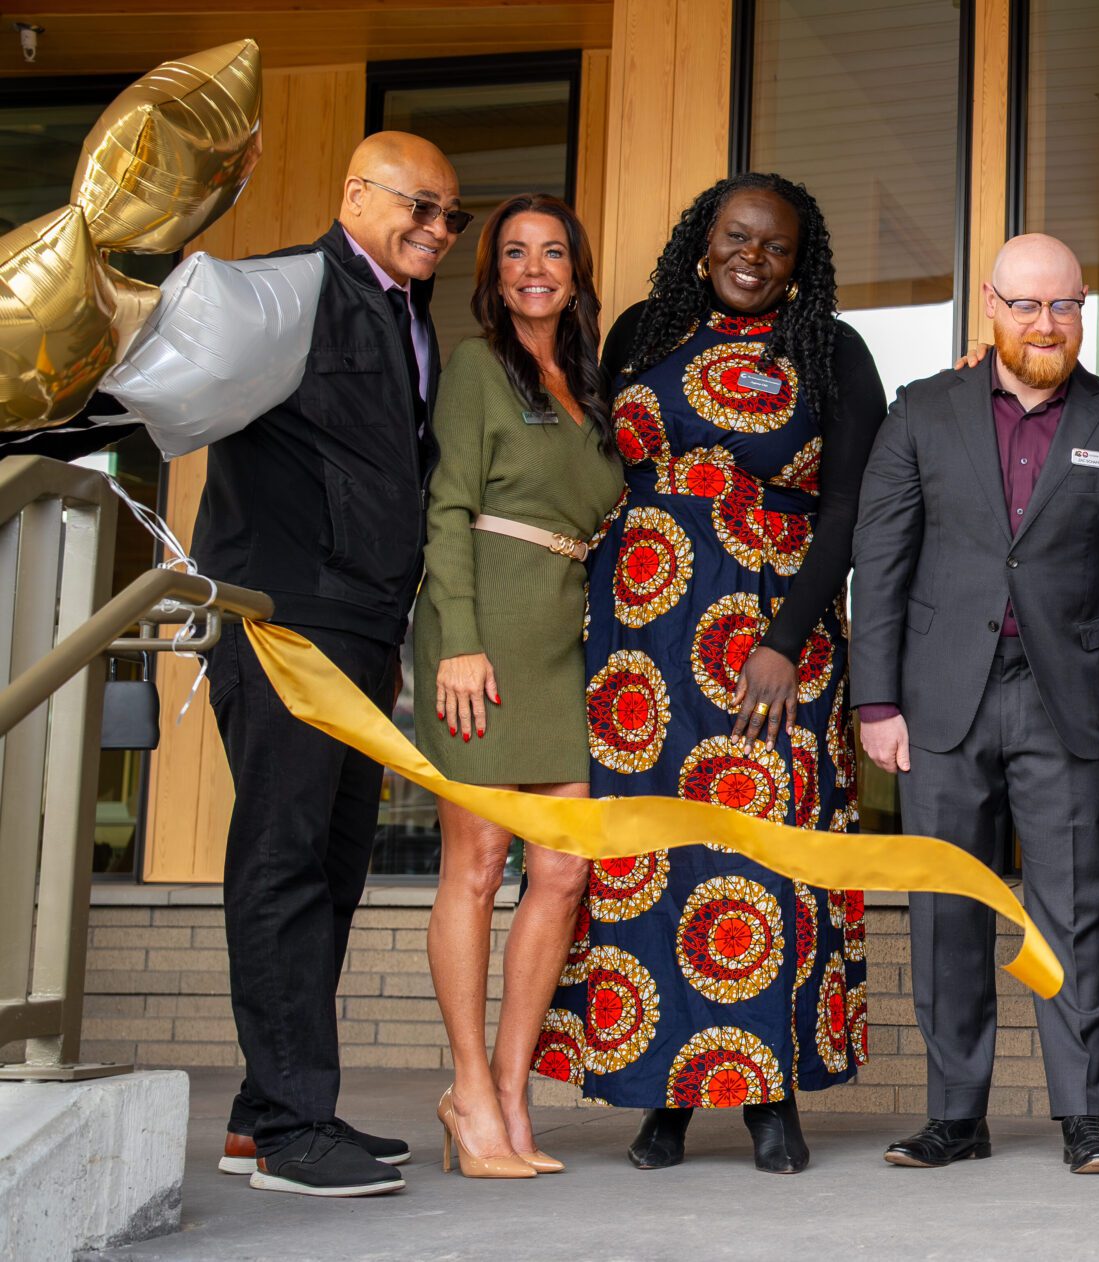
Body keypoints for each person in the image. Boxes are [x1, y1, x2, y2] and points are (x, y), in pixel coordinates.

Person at [537, 172, 886, 1174]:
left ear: (797, 261)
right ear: (704, 239)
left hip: (773, 639)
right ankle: (661, 1098)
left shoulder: (831, 348)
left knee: (765, 853)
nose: (754, 258)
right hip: (641, 631)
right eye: (738, 237)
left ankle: (771, 1095)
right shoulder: (641, 329)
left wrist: (784, 636)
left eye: (776, 247)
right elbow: (596, 464)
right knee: (649, 855)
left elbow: (848, 510)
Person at [850, 234, 1099, 1177]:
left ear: (1085, 308)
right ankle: (955, 1116)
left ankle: (1083, 1116)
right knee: (948, 911)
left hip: (1067, 702)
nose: (1045, 324)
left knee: (1071, 914)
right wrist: (876, 700)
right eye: (1026, 305)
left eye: (1064, 306)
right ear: (991, 304)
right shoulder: (921, 412)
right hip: (941, 701)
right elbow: (884, 562)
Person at [201, 131, 460, 1198]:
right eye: (419, 206)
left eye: (452, 215)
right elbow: (169, 385)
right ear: (354, 193)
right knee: (284, 859)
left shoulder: (407, 314)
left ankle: (268, 1113)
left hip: (361, 627)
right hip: (285, 616)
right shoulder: (283, 290)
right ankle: (298, 1126)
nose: (438, 230)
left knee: (334, 863)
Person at [414, 193, 621, 1179]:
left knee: (564, 869)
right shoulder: (474, 367)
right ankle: (467, 1090)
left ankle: (511, 1087)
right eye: (514, 253)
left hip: (559, 641)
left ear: (575, 270)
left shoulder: (586, 385)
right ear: (493, 274)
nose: (534, 266)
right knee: (478, 863)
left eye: (552, 252)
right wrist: (459, 638)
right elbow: (449, 505)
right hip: (482, 631)